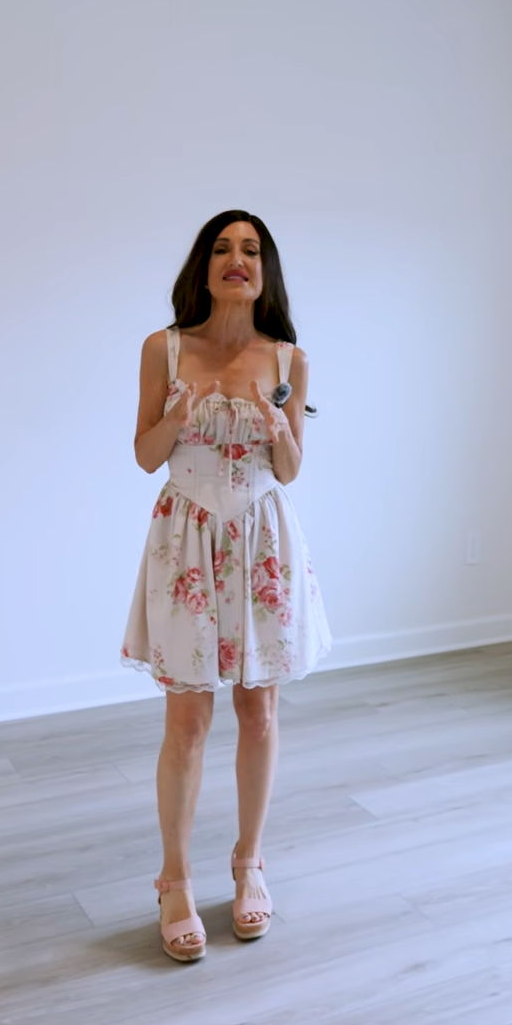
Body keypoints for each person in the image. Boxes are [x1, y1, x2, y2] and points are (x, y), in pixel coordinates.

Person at [122, 210, 331, 963]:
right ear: (204, 269)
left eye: (249, 249)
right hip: (187, 540)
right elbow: (146, 455)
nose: (235, 259)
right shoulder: (165, 348)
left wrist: (279, 432)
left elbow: (291, 471)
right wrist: (176, 415)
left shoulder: (289, 360)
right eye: (221, 248)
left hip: (261, 540)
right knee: (187, 719)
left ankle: (250, 864)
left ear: (264, 272)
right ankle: (174, 880)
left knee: (260, 710)